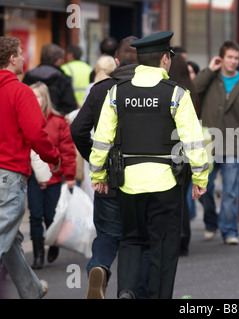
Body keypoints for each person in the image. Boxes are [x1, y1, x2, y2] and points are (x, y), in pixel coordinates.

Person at [89, 30, 208, 299]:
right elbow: (193, 142)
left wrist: (97, 173)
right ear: (165, 59)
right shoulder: (177, 94)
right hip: (166, 182)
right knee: (164, 247)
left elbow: (102, 139)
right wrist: (200, 179)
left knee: (131, 240)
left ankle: (127, 291)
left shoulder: (117, 93)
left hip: (128, 181)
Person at [70, 35, 138, 299]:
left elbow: (77, 129)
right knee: (136, 239)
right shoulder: (156, 90)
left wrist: (93, 158)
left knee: (108, 234)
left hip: (108, 176)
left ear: (117, 61)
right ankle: (128, 291)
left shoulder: (100, 90)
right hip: (147, 179)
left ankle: (99, 266)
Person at [0, 36, 60, 298]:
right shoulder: (20, 92)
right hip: (10, 174)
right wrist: (53, 157)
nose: (25, 58)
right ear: (12, 59)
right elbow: (36, 134)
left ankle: (31, 289)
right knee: (3, 235)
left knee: (10, 239)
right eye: (21, 53)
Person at [194, 40, 239, 245]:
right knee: (205, 186)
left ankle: (229, 230)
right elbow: (193, 89)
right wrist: (208, 70)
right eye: (229, 57)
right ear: (221, 58)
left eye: (236, 58)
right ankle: (211, 221)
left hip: (235, 144)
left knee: (231, 191)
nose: (233, 61)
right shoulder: (210, 78)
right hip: (209, 143)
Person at [27, 81, 77, 269]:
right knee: (35, 214)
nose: (34, 99)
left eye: (38, 96)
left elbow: (67, 151)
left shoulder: (58, 122)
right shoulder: (26, 119)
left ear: (45, 98)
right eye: (31, 96)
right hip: (32, 178)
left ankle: (54, 243)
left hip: (55, 178)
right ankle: (38, 254)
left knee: (51, 215)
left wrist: (70, 176)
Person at [168, 53, 202, 256]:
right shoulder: (192, 90)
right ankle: (184, 237)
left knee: (171, 196)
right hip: (189, 151)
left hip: (172, 149)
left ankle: (174, 237)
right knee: (182, 197)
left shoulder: (172, 91)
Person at [22, 44, 78, 116]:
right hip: (56, 122)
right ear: (58, 60)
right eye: (62, 58)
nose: (63, 61)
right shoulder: (62, 78)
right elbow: (70, 106)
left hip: (31, 118)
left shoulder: (28, 76)